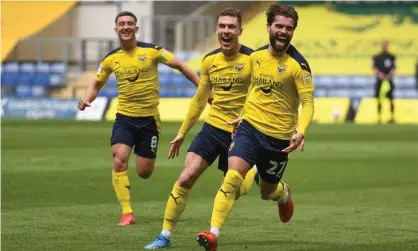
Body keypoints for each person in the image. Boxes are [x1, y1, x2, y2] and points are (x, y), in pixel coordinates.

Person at [196, 4, 315, 251]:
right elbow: (252, 89)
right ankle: (213, 234)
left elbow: (308, 103)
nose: (283, 32)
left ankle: (282, 194)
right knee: (231, 179)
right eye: (279, 26)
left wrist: (301, 129)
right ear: (269, 27)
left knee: (266, 191)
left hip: (279, 139)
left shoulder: (298, 66)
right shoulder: (256, 57)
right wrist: (242, 114)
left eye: (289, 28)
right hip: (249, 129)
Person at [144, 8, 259, 249]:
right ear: (217, 30)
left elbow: (261, 96)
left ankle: (264, 181)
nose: (226, 31)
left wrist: (247, 118)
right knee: (185, 177)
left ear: (240, 30)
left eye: (231, 27)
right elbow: (199, 99)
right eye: (222, 26)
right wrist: (182, 133)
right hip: (212, 129)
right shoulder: (209, 61)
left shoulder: (253, 60)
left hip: (241, 133)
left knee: (232, 188)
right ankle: (165, 235)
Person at [77, 11, 201, 226]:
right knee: (119, 158)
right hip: (124, 118)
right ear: (116, 30)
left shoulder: (152, 51)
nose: (126, 27)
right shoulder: (110, 59)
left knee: (144, 172)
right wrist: (87, 99)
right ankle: (127, 212)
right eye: (121, 24)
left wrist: (203, 89)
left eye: (130, 24)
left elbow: (180, 65)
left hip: (149, 121)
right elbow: (96, 83)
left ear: (136, 28)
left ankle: (140, 165)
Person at [372, 40, 396, 123]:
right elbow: (374, 68)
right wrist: (380, 75)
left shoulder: (391, 56)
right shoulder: (377, 57)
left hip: (389, 80)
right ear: (381, 45)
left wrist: (389, 75)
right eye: (383, 44)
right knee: (379, 99)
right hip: (380, 80)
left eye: (386, 44)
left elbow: (394, 68)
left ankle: (392, 117)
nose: (385, 46)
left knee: (391, 99)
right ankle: (379, 117)